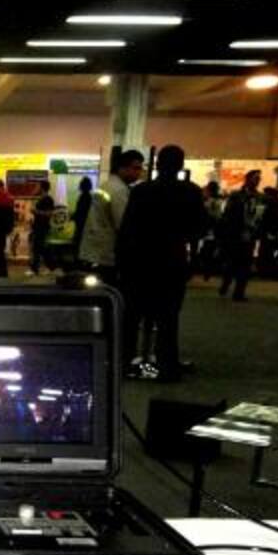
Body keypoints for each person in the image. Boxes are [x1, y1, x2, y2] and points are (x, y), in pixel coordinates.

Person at [117, 144, 208, 383]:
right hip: (172, 260)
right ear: (180, 165)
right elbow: (198, 230)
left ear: (157, 164)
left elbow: (128, 230)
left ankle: (126, 362)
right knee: (168, 317)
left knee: (133, 316)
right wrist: (193, 260)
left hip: (141, 261)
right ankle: (166, 365)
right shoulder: (191, 192)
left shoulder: (141, 191)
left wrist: (123, 262)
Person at [78, 149, 144, 286]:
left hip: (93, 250)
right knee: (110, 294)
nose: (139, 172)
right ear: (122, 168)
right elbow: (124, 224)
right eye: (136, 168)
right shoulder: (119, 190)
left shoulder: (106, 185)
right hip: (106, 254)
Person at [220, 169, 264, 301]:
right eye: (255, 178)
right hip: (235, 234)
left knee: (245, 264)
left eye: (259, 178)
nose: (257, 181)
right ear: (248, 179)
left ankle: (239, 292)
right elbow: (228, 214)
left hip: (250, 235)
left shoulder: (260, 197)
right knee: (232, 262)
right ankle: (226, 281)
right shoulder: (236, 195)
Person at [26, 180, 56, 276]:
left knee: (38, 248)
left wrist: (36, 211)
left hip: (42, 227)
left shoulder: (48, 199)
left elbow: (49, 213)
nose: (36, 188)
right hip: (38, 226)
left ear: (42, 188)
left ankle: (36, 269)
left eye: (38, 186)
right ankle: (50, 266)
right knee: (40, 248)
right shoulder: (41, 198)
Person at [71, 176, 93, 266]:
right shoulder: (89, 197)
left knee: (78, 246)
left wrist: (73, 216)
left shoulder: (84, 197)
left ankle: (79, 265)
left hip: (81, 226)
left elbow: (81, 212)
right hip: (85, 226)